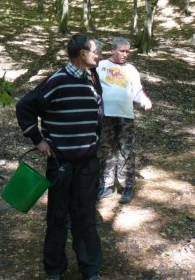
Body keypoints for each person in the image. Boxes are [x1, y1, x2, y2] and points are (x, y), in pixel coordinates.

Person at [16, 33, 103, 280]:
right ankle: (54, 270)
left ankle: (90, 269)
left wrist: (95, 140)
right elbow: (24, 107)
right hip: (61, 163)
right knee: (57, 216)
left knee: (85, 215)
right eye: (94, 50)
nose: (98, 54)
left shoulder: (93, 78)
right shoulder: (57, 80)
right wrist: (38, 140)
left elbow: (97, 112)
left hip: (88, 162)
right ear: (81, 54)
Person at [96, 37, 152, 204]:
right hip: (105, 115)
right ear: (113, 50)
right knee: (105, 149)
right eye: (122, 50)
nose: (125, 54)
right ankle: (105, 185)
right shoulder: (101, 66)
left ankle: (127, 186)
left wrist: (145, 101)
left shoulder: (131, 70)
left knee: (125, 150)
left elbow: (137, 91)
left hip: (125, 116)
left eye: (127, 51)